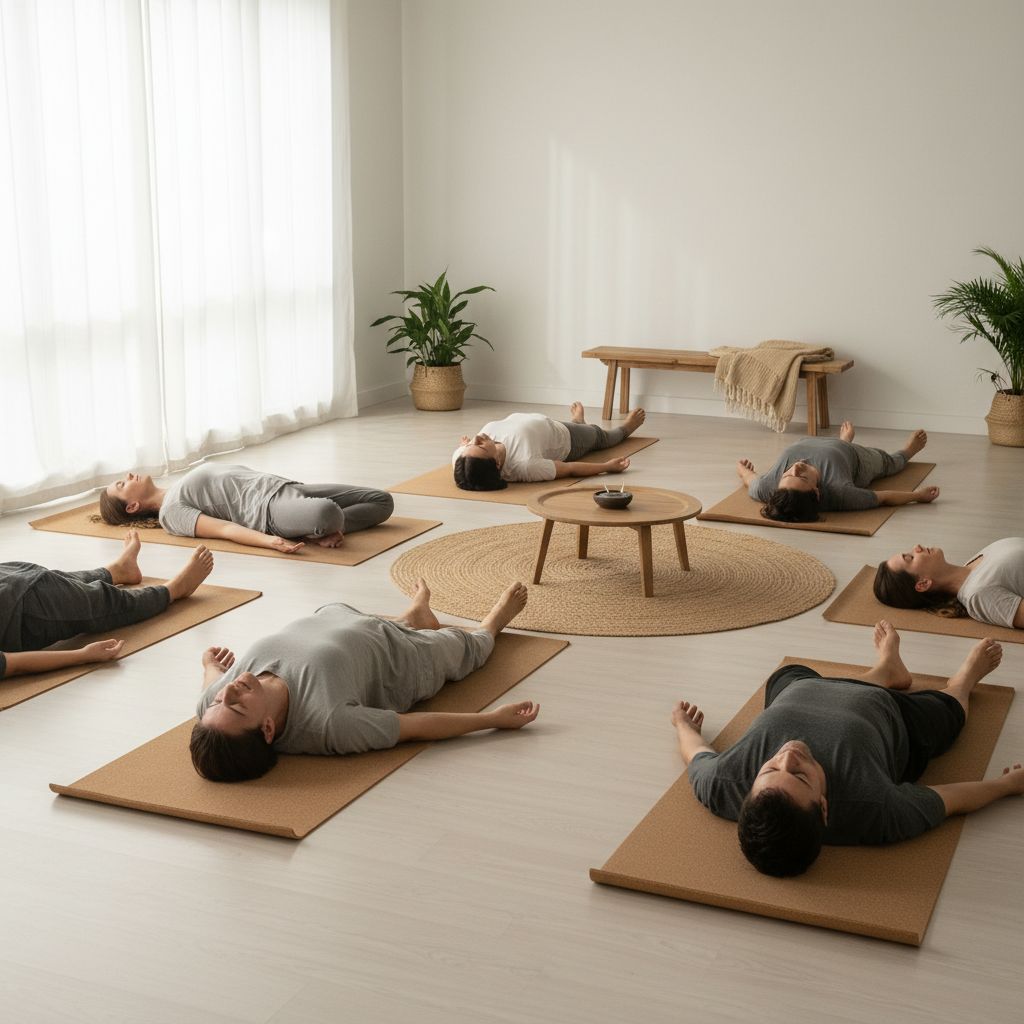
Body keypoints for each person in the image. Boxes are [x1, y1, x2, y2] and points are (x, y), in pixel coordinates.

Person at [671, 621, 1022, 877]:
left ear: (748, 789)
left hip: (803, 687)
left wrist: (684, 727)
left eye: (770, 769)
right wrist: (1006, 786)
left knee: (786, 674)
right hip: (896, 716)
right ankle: (960, 681)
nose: (789, 754)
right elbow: (950, 799)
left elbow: (696, 755)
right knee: (950, 713)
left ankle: (886, 668)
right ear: (824, 808)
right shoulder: (874, 810)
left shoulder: (724, 783)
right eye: (799, 775)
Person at [190, 579, 538, 782]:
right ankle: (494, 621)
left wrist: (209, 665)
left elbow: (210, 686)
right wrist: (492, 720)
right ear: (267, 730)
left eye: (221, 700)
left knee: (371, 631)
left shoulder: (214, 702)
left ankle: (414, 615)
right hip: (405, 658)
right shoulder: (329, 725)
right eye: (235, 706)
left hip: (350, 620)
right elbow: (414, 726)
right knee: (469, 648)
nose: (230, 690)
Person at [1, 530, 213, 680]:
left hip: (14, 578)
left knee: (61, 579)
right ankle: (173, 590)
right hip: (25, 611)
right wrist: (81, 656)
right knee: (103, 601)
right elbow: (14, 664)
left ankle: (118, 569)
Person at [99, 464, 394, 553]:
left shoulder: (176, 485)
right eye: (122, 485)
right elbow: (225, 529)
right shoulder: (171, 514)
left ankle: (325, 530)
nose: (128, 476)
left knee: (383, 501)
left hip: (283, 486)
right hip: (268, 510)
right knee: (326, 513)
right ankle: (318, 526)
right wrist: (273, 541)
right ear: (133, 507)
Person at [734, 420, 939, 523]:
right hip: (855, 458)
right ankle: (907, 450)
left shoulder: (768, 487)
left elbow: (749, 479)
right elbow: (883, 498)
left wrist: (742, 467)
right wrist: (917, 496)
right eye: (802, 477)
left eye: (787, 474)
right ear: (816, 491)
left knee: (835, 449)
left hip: (827, 446)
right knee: (890, 464)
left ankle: (842, 440)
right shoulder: (841, 493)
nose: (796, 466)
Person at [451, 402, 645, 491]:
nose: (477, 438)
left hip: (546, 425)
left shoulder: (462, 459)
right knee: (600, 436)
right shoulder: (524, 466)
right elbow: (570, 469)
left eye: (471, 444)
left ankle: (578, 421)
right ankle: (626, 428)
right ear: (496, 464)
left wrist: (465, 446)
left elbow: (464, 460)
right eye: (481, 446)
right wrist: (607, 467)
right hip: (567, 438)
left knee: (582, 426)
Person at [874, 538, 1024, 629]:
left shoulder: (972, 563)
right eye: (911, 558)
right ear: (923, 583)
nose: (917, 547)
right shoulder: (978, 594)